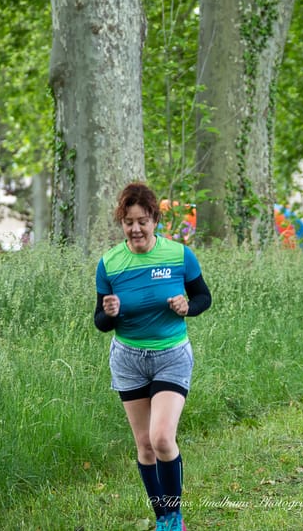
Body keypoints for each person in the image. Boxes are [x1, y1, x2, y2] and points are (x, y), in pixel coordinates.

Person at [95, 182, 212, 531]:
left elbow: (203, 297)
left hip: (171, 355)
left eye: (143, 220)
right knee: (145, 446)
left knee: (162, 438)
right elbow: (100, 321)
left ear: (155, 220)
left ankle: (176, 518)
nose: (136, 229)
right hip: (128, 358)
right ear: (121, 222)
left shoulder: (179, 256)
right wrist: (110, 312)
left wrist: (187, 307)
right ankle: (162, 518)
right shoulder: (110, 263)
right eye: (129, 221)